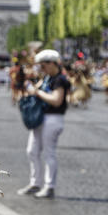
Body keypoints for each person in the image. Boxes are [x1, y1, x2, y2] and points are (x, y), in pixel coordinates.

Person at [17, 49, 69, 199]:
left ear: (52, 63)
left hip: (53, 118)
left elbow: (56, 100)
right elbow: (36, 90)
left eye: (43, 65)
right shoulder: (47, 77)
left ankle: (49, 186)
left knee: (48, 153)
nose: (42, 68)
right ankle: (35, 183)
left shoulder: (59, 80)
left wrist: (38, 93)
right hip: (42, 118)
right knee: (32, 151)